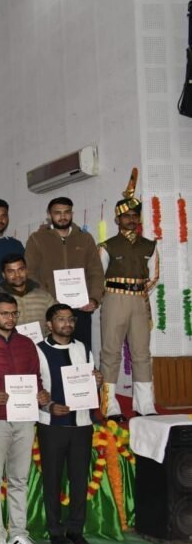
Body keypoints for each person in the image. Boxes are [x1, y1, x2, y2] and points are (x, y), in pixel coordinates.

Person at [0, 293, 50, 544]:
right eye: (4, 313)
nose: (10, 318)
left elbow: (35, 377)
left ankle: (18, 534)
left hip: (24, 417)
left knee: (19, 479)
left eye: (14, 313)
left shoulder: (26, 343)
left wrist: (41, 395)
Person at [36, 304, 101, 544]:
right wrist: (49, 406)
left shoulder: (83, 348)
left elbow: (91, 382)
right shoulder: (38, 350)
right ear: (49, 324)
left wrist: (97, 380)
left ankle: (76, 530)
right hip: (52, 425)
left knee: (79, 480)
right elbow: (35, 387)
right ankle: (55, 531)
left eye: (70, 319)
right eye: (60, 319)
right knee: (52, 480)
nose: (67, 323)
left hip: (82, 424)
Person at [99, 177, 159, 421]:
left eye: (135, 215)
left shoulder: (149, 245)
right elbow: (98, 277)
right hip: (114, 299)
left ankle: (145, 405)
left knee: (142, 353)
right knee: (111, 352)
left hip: (140, 300)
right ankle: (109, 406)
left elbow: (154, 275)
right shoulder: (107, 245)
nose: (131, 219)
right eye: (126, 216)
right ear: (117, 219)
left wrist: (141, 293)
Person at [25, 197, 105, 353]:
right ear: (49, 215)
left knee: (82, 353)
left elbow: (96, 272)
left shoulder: (85, 238)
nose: (63, 216)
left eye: (67, 212)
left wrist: (94, 299)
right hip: (50, 309)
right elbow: (30, 273)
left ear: (72, 214)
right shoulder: (37, 239)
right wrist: (48, 300)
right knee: (54, 355)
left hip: (81, 310)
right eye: (57, 213)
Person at [0, 254, 55, 336]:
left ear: (26, 270)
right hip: (6, 344)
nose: (17, 275)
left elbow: (57, 322)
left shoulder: (44, 297)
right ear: (3, 275)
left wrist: (47, 341)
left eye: (21, 269)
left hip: (41, 343)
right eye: (11, 271)